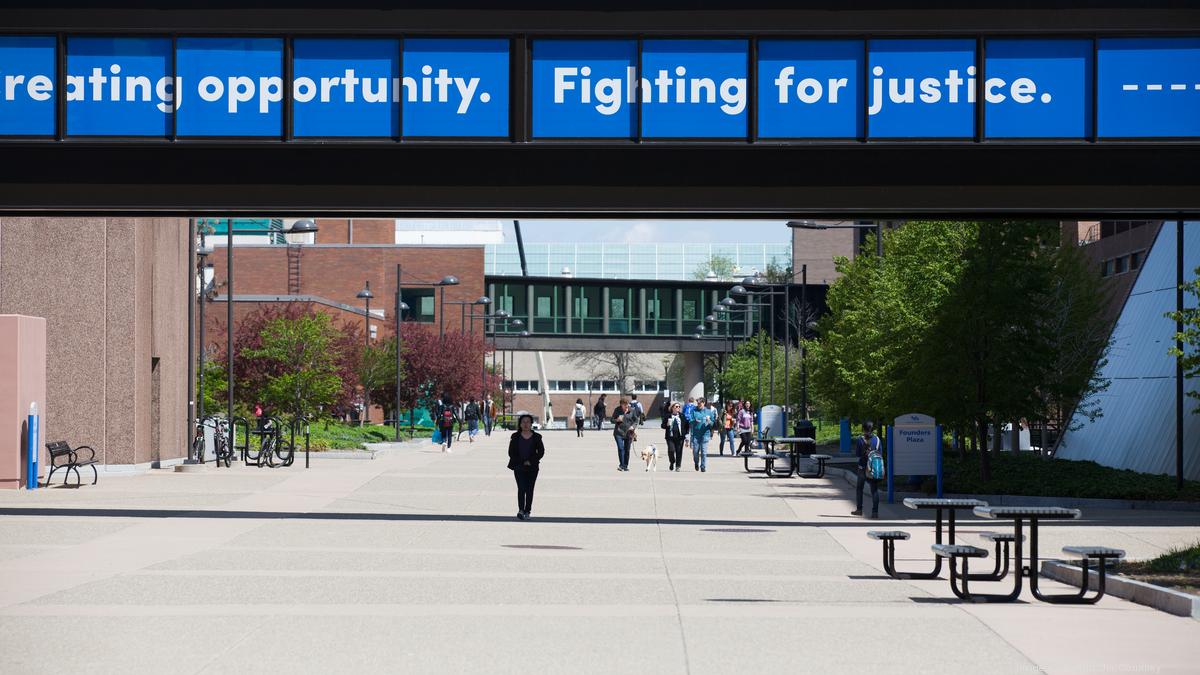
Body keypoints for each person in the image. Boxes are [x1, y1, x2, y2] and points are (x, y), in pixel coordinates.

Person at [507, 414, 545, 520]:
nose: (525, 424)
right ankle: (521, 510)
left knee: (529, 489)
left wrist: (531, 461)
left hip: (532, 467)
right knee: (521, 488)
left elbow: (541, 452)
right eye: (523, 422)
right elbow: (511, 452)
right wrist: (522, 461)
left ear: (531, 424)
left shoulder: (537, 437)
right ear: (520, 424)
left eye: (528, 422)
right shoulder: (515, 437)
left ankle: (527, 510)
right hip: (519, 466)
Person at [852, 421, 882, 519]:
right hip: (873, 468)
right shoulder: (877, 439)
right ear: (872, 429)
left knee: (859, 489)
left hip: (862, 467)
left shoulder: (860, 440)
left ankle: (859, 510)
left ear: (863, 429)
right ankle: (875, 512)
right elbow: (880, 453)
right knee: (874, 490)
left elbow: (857, 454)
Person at [689, 397, 716, 472]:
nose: (699, 404)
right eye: (698, 403)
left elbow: (713, 423)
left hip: (705, 434)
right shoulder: (694, 411)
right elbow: (690, 421)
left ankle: (703, 466)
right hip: (696, 435)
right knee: (695, 452)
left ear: (704, 403)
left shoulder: (709, 412)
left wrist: (709, 421)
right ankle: (696, 463)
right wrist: (695, 421)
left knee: (704, 452)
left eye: (700, 403)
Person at [611, 398, 637, 471]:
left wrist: (633, 426)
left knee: (627, 450)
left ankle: (625, 465)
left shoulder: (632, 410)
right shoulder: (617, 410)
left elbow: (636, 420)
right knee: (620, 448)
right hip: (618, 432)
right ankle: (621, 465)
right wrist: (617, 420)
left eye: (627, 405)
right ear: (621, 405)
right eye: (624, 405)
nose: (626, 406)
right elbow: (611, 420)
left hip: (628, 433)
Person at [661, 401, 686, 471]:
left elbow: (686, 426)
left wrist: (686, 435)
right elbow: (662, 426)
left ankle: (678, 466)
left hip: (680, 437)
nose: (678, 408)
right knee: (671, 450)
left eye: (679, 407)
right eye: (676, 407)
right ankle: (672, 462)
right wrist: (667, 425)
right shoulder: (668, 416)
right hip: (670, 437)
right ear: (672, 408)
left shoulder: (682, 416)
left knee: (679, 451)